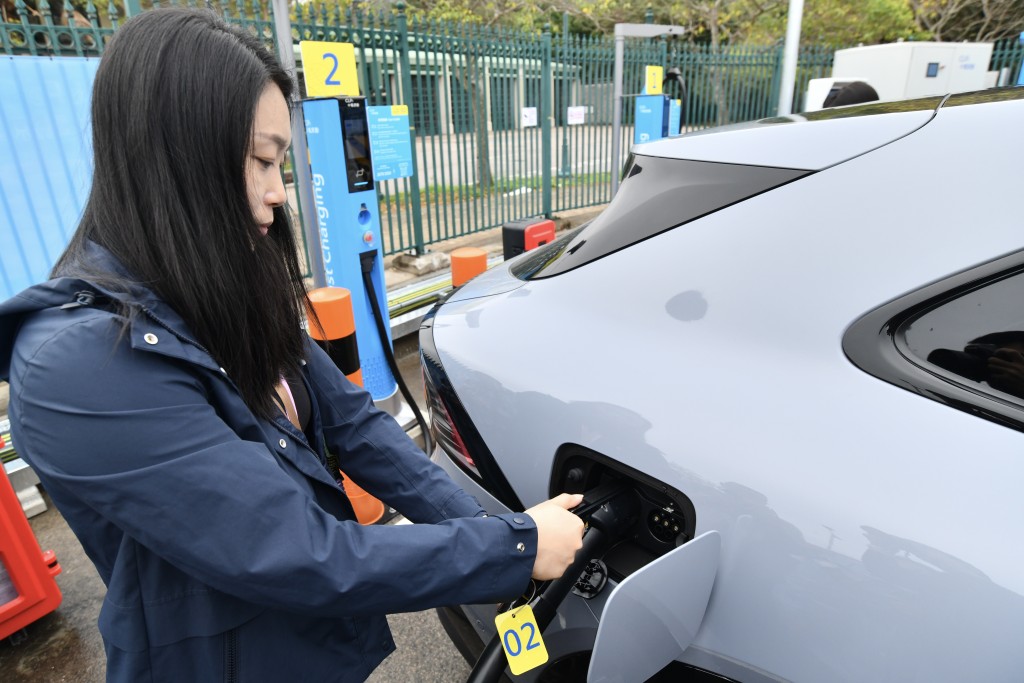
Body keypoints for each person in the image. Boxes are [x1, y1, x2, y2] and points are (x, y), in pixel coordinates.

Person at [0, 8, 584, 682]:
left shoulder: (222, 286)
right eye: (260, 159)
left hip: (313, 647)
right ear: (174, 153)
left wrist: (510, 540)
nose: (279, 192)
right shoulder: (77, 365)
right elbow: (294, 551)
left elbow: (355, 424)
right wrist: (512, 549)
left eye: (281, 161)